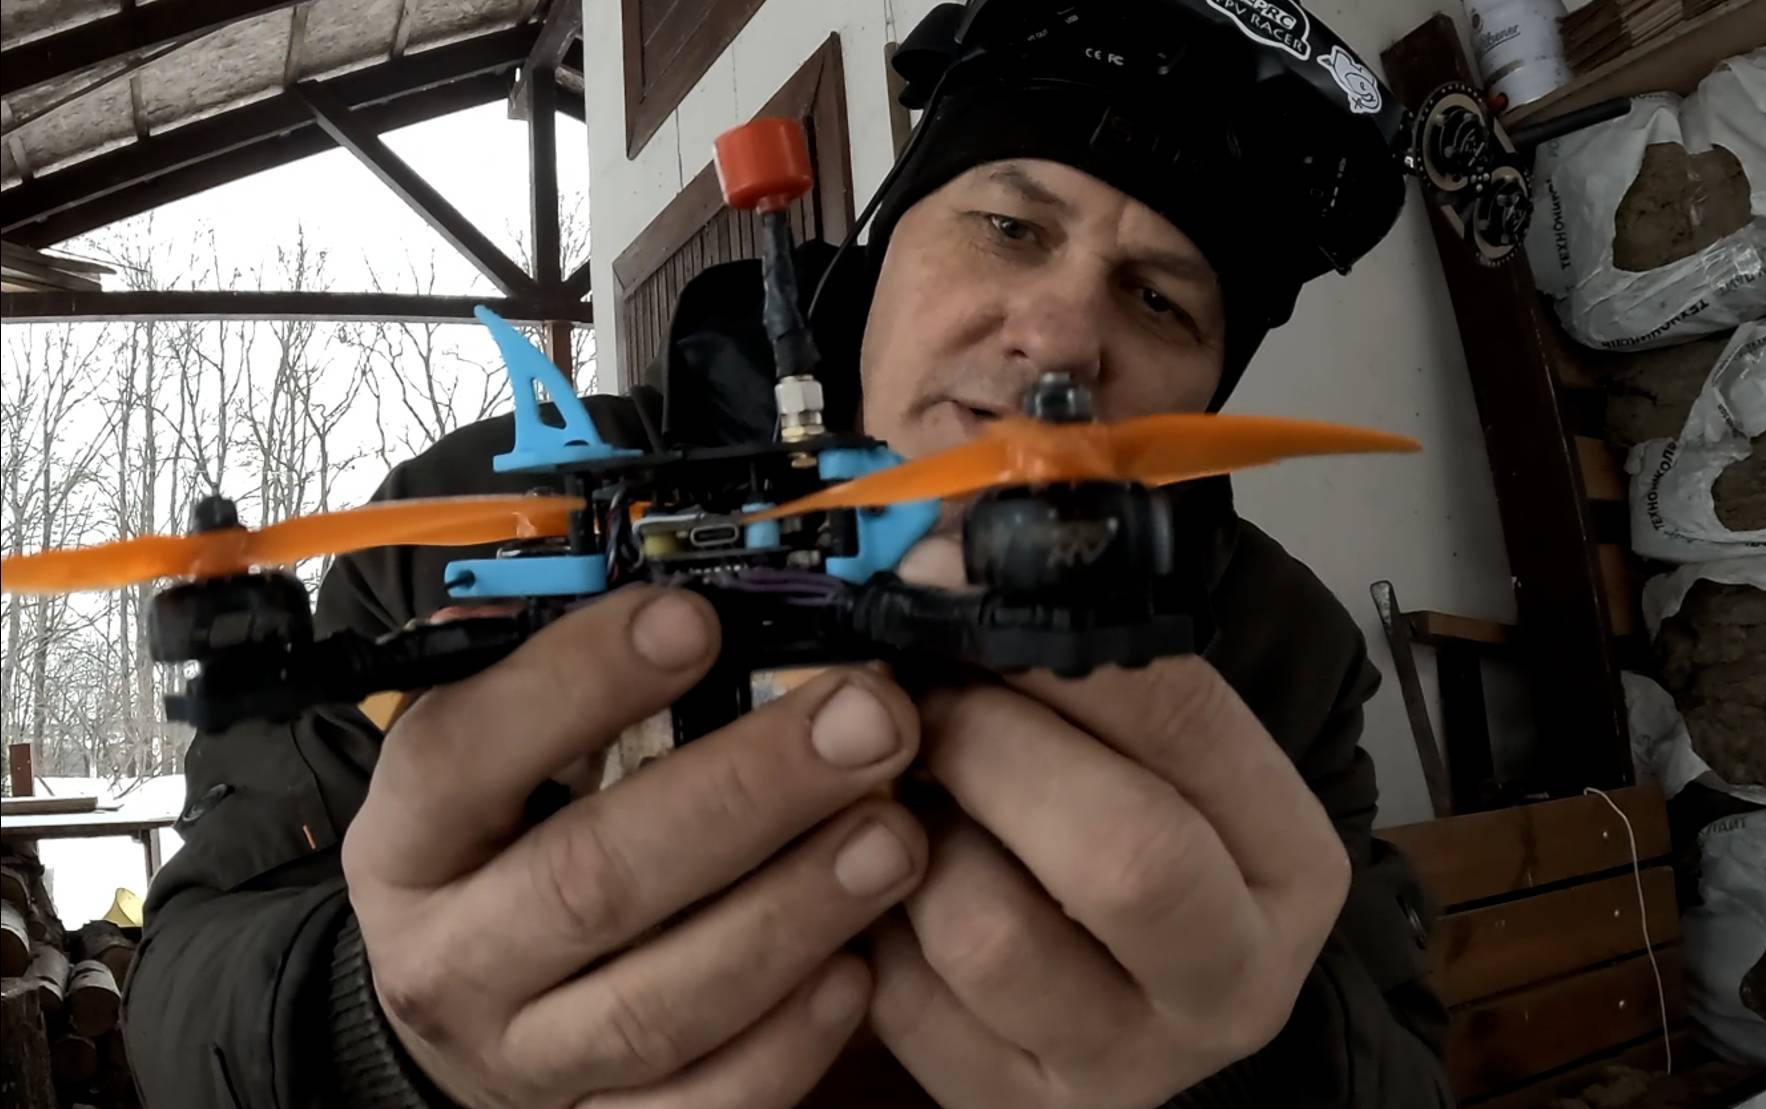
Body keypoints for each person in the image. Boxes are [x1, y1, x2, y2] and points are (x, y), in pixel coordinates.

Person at [123, 2, 1454, 1106]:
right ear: (880, 249)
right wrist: (377, 1035)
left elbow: (1402, 1056)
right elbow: (185, 982)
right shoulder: (477, 522)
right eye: (1010, 227)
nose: (1058, 337)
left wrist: (1244, 1051)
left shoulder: (1274, 650)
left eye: (1159, 299)